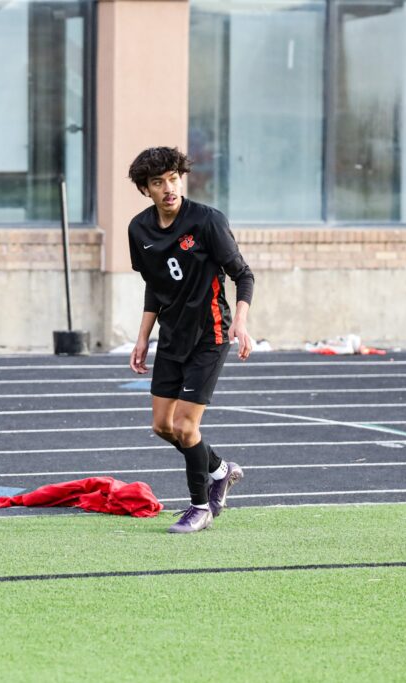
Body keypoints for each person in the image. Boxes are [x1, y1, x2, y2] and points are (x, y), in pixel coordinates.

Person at [127, 146, 254, 534]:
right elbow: (154, 285)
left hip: (210, 334)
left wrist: (242, 324)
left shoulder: (207, 221)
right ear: (145, 189)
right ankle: (220, 470)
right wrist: (142, 337)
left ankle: (200, 507)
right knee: (162, 426)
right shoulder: (139, 229)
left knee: (185, 426)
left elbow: (243, 275)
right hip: (171, 336)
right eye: (158, 182)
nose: (169, 187)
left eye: (173, 178)